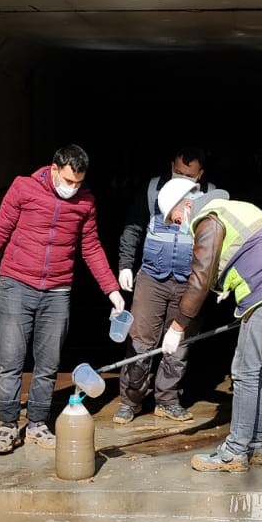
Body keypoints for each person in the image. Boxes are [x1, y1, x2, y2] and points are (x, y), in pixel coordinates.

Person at [0, 144, 124, 454]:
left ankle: (37, 425)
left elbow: (91, 247)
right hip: (16, 287)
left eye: (79, 182)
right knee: (10, 361)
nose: (73, 188)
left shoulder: (85, 202)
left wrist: (111, 289)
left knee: (47, 364)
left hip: (57, 293)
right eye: (68, 180)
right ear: (55, 169)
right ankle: (8, 426)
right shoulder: (24, 188)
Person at [157, 177, 262, 472]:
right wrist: (225, 285)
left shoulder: (208, 220)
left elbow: (199, 278)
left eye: (175, 219)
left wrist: (177, 327)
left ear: (186, 205)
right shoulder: (232, 208)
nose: (178, 226)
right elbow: (242, 253)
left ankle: (234, 452)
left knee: (244, 371)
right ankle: (255, 446)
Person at [113, 148, 217, 425]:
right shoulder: (152, 190)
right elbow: (133, 227)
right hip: (151, 278)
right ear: (171, 166)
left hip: (189, 283)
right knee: (140, 341)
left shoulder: (211, 197)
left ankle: (168, 400)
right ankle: (130, 401)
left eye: (189, 175)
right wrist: (125, 264)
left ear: (200, 174)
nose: (182, 179)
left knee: (179, 345)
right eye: (178, 173)